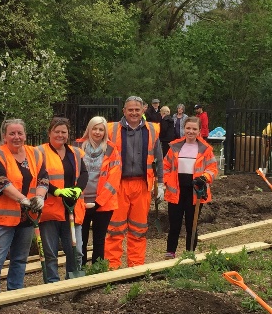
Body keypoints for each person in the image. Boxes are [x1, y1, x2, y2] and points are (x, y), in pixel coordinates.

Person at [0, 119, 48, 295]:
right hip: (3, 218)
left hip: (28, 216)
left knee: (20, 258)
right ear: (4, 136)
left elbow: (43, 178)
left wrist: (40, 197)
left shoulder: (35, 154)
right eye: (12, 133)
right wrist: (22, 199)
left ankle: (15, 292)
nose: (16, 137)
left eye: (20, 133)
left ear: (25, 135)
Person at [104, 96, 163, 269]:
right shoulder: (111, 129)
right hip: (118, 185)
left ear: (143, 110)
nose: (134, 113)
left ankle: (136, 266)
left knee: (138, 229)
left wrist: (161, 184)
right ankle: (111, 267)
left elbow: (159, 159)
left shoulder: (152, 130)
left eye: (137, 110)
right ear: (124, 111)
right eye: (130, 110)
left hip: (142, 185)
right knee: (115, 228)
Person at [36, 117, 88, 281]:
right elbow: (37, 176)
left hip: (72, 207)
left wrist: (78, 189)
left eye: (63, 132)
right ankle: (52, 283)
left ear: (68, 133)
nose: (60, 135)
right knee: (50, 252)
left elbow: (84, 173)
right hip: (50, 209)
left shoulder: (76, 152)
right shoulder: (40, 152)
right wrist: (56, 191)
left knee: (76, 250)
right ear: (50, 133)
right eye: (56, 131)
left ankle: (72, 281)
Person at [163, 116, 218, 259]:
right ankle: (170, 252)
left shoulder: (205, 149)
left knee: (191, 225)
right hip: (176, 190)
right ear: (184, 129)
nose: (191, 131)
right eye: (188, 128)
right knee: (174, 224)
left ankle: (189, 253)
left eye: (194, 129)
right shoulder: (175, 146)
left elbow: (212, 168)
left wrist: (204, 177)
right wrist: (168, 181)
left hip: (196, 191)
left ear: (199, 130)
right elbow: (165, 167)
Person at [73, 116, 121, 266]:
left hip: (103, 204)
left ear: (105, 131)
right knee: (82, 239)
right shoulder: (77, 146)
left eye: (101, 129)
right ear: (89, 129)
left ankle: (97, 271)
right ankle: (80, 271)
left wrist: (99, 202)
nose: (97, 132)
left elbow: (114, 178)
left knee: (100, 240)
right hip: (81, 202)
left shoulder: (112, 149)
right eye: (95, 128)